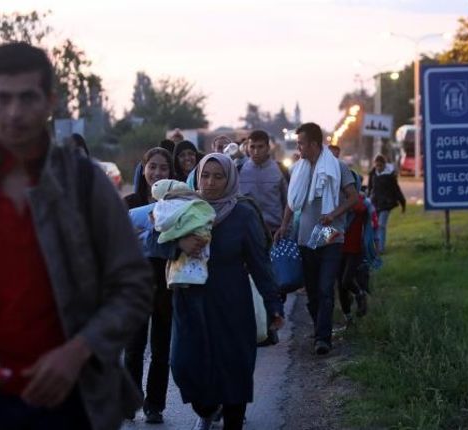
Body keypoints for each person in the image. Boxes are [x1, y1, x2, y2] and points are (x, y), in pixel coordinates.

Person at [0, 42, 152, 430]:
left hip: (72, 400)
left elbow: (134, 284)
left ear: (50, 101)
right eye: (3, 98)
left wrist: (79, 351)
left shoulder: (85, 184)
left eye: (28, 98)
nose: (15, 113)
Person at [150, 153, 284, 430]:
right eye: (205, 176)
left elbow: (261, 263)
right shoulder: (182, 206)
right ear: (197, 177)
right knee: (185, 366)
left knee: (234, 370)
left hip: (232, 302)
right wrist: (178, 245)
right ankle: (208, 408)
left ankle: (231, 416)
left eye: (218, 176)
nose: (210, 183)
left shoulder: (243, 214)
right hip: (190, 303)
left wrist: (274, 305)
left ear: (229, 178)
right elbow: (150, 241)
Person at [275, 122, 359, 355]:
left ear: (313, 144)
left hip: (331, 235)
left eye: (301, 143)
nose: (298, 147)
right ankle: (319, 326)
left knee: (325, 288)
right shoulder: (298, 169)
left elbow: (353, 198)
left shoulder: (337, 167)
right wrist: (284, 226)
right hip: (305, 237)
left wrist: (333, 214)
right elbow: (292, 202)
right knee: (312, 291)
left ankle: (323, 338)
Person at [122, 147, 174, 424]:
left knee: (161, 348)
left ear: (170, 172)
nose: (157, 173)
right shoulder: (129, 202)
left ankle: (155, 404)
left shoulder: (177, 203)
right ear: (143, 169)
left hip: (165, 282)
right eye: (152, 167)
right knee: (133, 346)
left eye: (163, 168)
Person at [337, 171, 382, 324]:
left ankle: (360, 293)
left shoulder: (364, 203)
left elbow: (375, 225)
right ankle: (348, 319)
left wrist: (376, 244)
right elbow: (328, 224)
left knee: (346, 280)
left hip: (356, 248)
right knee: (341, 287)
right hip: (337, 248)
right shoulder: (335, 202)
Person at [239, 130, 287, 236]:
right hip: (248, 231)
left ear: (268, 148)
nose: (256, 151)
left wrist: (286, 227)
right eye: (252, 147)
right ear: (247, 148)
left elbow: (288, 203)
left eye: (260, 147)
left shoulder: (280, 169)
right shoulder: (239, 170)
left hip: (275, 231)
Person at [367, 154, 406, 253]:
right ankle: (375, 246)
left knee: (381, 225)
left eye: (380, 165)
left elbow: (396, 190)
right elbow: (370, 188)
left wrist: (402, 202)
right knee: (374, 225)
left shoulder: (390, 176)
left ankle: (380, 248)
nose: (378, 168)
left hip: (386, 204)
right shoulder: (372, 174)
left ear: (384, 165)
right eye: (377, 166)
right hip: (375, 203)